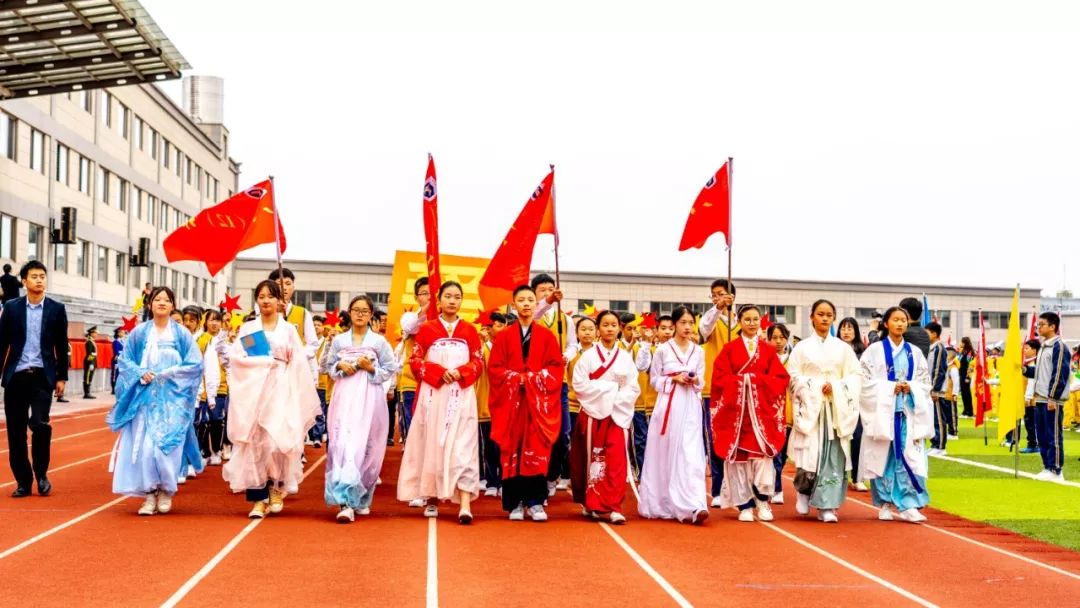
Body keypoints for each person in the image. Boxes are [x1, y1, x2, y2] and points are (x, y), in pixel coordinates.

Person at [221, 280, 321, 518]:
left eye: (271, 296)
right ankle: (258, 498)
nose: (266, 300)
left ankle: (276, 487)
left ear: (279, 301)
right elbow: (238, 358)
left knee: (277, 441)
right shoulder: (249, 329)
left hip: (281, 389)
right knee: (255, 442)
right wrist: (263, 362)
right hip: (254, 391)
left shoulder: (288, 330)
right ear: (256, 300)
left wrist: (291, 384)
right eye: (261, 296)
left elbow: (298, 361)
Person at [108, 287, 203, 515]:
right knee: (146, 449)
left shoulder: (181, 335)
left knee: (166, 448)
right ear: (149, 304)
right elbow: (125, 361)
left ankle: (167, 490)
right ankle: (149, 493)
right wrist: (141, 373)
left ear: (172, 305)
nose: (161, 303)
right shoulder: (140, 333)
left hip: (173, 403)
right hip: (145, 401)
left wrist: (171, 373)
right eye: (157, 299)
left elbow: (195, 364)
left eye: (166, 300)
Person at [397, 281, 484, 524]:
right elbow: (415, 360)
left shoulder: (470, 330)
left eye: (457, 296)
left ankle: (465, 504)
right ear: (439, 299)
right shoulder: (427, 329)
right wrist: (438, 373)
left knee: (464, 447)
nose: (452, 301)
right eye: (448, 296)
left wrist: (461, 372)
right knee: (433, 443)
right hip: (434, 393)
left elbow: (478, 361)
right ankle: (431, 498)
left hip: (462, 394)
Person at [488, 285, 564, 522]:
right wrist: (515, 379)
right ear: (514, 304)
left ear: (535, 303)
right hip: (511, 404)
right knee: (513, 448)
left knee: (536, 448)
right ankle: (515, 503)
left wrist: (531, 379)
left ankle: (536, 501)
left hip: (537, 405)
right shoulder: (503, 337)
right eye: (521, 300)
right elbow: (495, 369)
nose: (526, 304)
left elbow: (555, 368)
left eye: (531, 299)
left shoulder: (547, 336)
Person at [711, 304, 790, 522]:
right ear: (739, 321)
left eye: (755, 319)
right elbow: (719, 379)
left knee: (761, 458)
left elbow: (780, 379)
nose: (752, 323)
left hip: (761, 416)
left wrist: (754, 381)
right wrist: (742, 381)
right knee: (739, 460)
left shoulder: (767, 350)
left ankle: (763, 502)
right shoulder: (729, 349)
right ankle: (744, 505)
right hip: (736, 416)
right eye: (747, 319)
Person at [323, 295, 397, 522]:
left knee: (367, 446)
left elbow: (390, 368)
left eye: (365, 311)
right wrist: (340, 365)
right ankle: (345, 502)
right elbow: (328, 366)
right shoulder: (339, 341)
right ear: (349, 312)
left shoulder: (379, 342)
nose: (360, 314)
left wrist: (370, 368)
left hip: (369, 398)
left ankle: (362, 497)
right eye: (356, 310)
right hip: (344, 397)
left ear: (371, 314)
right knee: (343, 444)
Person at [787, 299, 862, 523]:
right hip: (811, 410)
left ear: (834, 318)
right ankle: (803, 491)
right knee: (810, 453)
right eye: (820, 314)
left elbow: (855, 376)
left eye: (829, 315)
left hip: (835, 411)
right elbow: (792, 376)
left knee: (833, 457)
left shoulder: (843, 349)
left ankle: (826, 505)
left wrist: (836, 387)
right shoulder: (801, 348)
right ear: (812, 316)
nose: (825, 318)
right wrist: (816, 388)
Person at [858, 306, 932, 523]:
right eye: (895, 320)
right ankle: (884, 503)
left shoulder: (915, 352)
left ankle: (909, 504)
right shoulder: (874, 351)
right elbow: (864, 381)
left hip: (907, 412)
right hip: (883, 414)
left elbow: (924, 382)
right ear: (886, 323)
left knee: (910, 456)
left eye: (903, 320)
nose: (900, 324)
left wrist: (910, 387)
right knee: (883, 456)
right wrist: (890, 388)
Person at [1, 261, 69, 498]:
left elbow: (61, 345)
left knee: (40, 424)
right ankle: (23, 481)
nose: (39, 280)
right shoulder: (11, 308)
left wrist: (62, 377)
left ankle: (41, 474)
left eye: (42, 276)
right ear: (24, 281)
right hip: (16, 376)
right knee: (15, 432)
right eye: (34, 276)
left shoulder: (56, 309)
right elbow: (2, 343)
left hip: (42, 376)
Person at [638, 306, 709, 524]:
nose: (687, 327)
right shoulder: (662, 350)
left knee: (690, 453)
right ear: (675, 324)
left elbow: (702, 380)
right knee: (666, 451)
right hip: (668, 405)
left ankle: (694, 504)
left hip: (690, 406)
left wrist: (694, 380)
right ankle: (664, 501)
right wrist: (673, 379)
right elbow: (654, 380)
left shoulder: (698, 351)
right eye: (683, 323)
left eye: (691, 323)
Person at [571, 310, 640, 524]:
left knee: (616, 461)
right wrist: (611, 389)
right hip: (593, 415)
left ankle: (613, 506)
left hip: (617, 414)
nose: (610, 329)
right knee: (593, 460)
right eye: (605, 325)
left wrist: (615, 397)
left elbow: (633, 387)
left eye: (613, 325)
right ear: (598, 329)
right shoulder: (587, 357)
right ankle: (591, 502)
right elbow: (580, 385)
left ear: (619, 328)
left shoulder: (625, 358)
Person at [531, 273, 578, 495]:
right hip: (536, 382)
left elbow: (572, 345)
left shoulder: (564, 319)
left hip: (560, 382)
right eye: (543, 290)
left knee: (562, 434)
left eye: (551, 289)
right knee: (537, 434)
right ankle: (537, 480)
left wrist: (567, 356)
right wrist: (548, 301)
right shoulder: (532, 314)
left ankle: (551, 475)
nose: (548, 293)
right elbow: (535, 313)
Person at [700, 279, 739, 507]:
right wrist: (718, 308)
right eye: (713, 294)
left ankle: (737, 489)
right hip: (713, 388)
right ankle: (717, 488)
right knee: (715, 437)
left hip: (738, 388)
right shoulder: (711, 320)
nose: (717, 297)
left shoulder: (741, 323)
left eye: (721, 294)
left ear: (732, 296)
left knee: (737, 438)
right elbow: (704, 329)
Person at [1032, 312, 1071, 482]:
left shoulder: (1059, 347)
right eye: (1038, 325)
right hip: (1040, 397)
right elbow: (1042, 372)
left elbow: (1059, 373)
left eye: (1041, 325)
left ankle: (1056, 469)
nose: (1038, 328)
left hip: (1051, 399)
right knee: (1041, 435)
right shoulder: (1043, 347)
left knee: (1052, 434)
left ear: (1053, 326)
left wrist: (1053, 397)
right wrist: (1025, 370)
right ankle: (1047, 466)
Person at [396, 277, 430, 444]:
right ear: (416, 297)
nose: (429, 296)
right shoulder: (409, 317)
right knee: (414, 426)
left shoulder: (445, 321)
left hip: (435, 381)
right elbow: (411, 327)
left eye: (433, 293)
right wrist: (429, 307)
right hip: (412, 381)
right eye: (425, 293)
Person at [477, 311, 508, 497]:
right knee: (488, 445)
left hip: (505, 404)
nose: (503, 329)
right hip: (486, 403)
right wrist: (480, 343)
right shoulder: (482, 349)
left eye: (504, 325)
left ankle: (504, 481)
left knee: (503, 446)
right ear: (488, 329)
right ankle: (491, 481)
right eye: (498, 325)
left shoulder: (509, 348)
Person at [837, 317, 868, 491]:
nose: (846, 332)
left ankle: (857, 477)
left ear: (855, 331)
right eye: (843, 328)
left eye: (850, 328)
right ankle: (838, 475)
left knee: (857, 438)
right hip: (837, 400)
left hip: (856, 401)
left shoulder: (863, 353)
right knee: (837, 439)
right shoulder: (833, 350)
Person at [197, 310, 230, 466]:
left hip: (221, 386)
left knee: (216, 419)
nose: (214, 323)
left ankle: (217, 450)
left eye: (217, 320)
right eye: (211, 320)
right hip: (203, 386)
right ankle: (205, 452)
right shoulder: (201, 339)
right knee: (203, 421)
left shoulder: (225, 341)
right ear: (205, 322)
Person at [767, 323, 794, 504]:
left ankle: (772, 480)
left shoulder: (794, 359)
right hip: (771, 411)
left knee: (783, 454)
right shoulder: (765, 359)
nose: (778, 341)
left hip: (789, 411)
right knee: (775, 452)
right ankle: (777, 488)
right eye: (774, 338)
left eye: (781, 338)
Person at [925, 322, 950, 456]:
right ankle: (935, 443)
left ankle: (940, 446)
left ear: (934, 334)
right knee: (932, 418)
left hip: (937, 390)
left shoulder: (939, 348)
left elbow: (938, 370)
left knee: (939, 418)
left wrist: (934, 389)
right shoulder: (931, 349)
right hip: (930, 389)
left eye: (927, 333)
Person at [958, 337, 976, 417]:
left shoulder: (970, 352)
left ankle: (970, 411)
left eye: (961, 342)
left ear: (965, 343)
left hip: (967, 376)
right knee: (963, 393)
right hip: (961, 375)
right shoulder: (962, 352)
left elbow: (970, 365)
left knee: (967, 393)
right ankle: (965, 410)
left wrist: (968, 376)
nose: (960, 343)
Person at [82, 326, 98, 398]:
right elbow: (89, 353)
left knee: (90, 376)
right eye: (95, 333)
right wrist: (91, 363)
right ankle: (86, 393)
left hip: (92, 361)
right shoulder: (89, 342)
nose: (96, 334)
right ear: (91, 333)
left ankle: (88, 392)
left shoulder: (92, 341)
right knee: (88, 377)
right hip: (89, 361)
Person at [111, 328, 127, 395]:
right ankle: (113, 389)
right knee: (115, 374)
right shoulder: (116, 342)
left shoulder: (122, 341)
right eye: (122, 332)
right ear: (118, 333)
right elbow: (116, 351)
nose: (123, 334)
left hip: (122, 360)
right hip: (117, 360)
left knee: (121, 375)